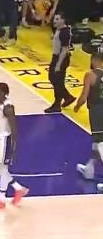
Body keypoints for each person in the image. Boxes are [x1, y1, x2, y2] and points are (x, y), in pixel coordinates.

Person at [0, 82, 28, 211]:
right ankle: (18, 188)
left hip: (4, 140)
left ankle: (1, 199)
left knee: (3, 168)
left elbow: (14, 129)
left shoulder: (8, 108)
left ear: (3, 93)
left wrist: (13, 148)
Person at [75, 52, 103, 192]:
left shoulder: (90, 75)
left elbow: (84, 97)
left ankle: (89, 169)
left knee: (100, 144)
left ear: (93, 61)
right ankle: (89, 168)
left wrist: (77, 106)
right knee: (97, 143)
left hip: (97, 112)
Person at [45, 13, 75, 113]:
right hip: (56, 57)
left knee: (57, 80)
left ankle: (57, 104)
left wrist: (58, 64)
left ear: (63, 20)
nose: (55, 21)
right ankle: (67, 97)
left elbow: (65, 49)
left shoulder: (65, 32)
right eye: (55, 19)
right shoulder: (59, 29)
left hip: (61, 58)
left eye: (57, 19)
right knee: (53, 78)